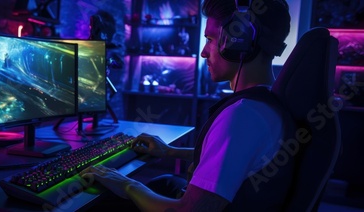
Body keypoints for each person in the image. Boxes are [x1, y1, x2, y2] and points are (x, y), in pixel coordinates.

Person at [81, 0, 294, 211]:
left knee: (98, 201)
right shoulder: (263, 104)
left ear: (239, 40)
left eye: (210, 39)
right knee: (164, 181)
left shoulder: (243, 116)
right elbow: (230, 160)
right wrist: (170, 151)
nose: (203, 52)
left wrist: (126, 184)